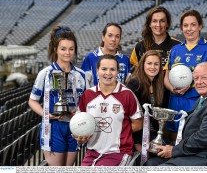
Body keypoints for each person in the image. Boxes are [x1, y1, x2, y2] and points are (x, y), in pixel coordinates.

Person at [144, 62, 207, 166]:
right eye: (196, 78)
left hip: (206, 157)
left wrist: (173, 150)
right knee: (150, 162)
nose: (199, 82)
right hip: (195, 151)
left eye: (204, 78)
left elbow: (202, 139)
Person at [28, 26, 88, 166]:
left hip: (75, 127)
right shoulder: (45, 73)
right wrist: (46, 113)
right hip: (53, 127)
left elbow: (85, 102)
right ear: (55, 49)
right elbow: (32, 101)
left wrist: (78, 112)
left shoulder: (81, 75)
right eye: (63, 49)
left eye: (71, 49)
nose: (67, 53)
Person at [73, 54, 143, 166]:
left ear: (117, 72)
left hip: (118, 152)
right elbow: (81, 122)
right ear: (97, 71)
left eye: (112, 69)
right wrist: (81, 136)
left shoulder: (127, 94)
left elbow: (138, 124)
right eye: (104, 69)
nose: (108, 73)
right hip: (92, 153)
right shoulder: (88, 94)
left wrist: (117, 131)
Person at [164, 9, 207, 141]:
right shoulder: (175, 49)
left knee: (193, 138)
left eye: (193, 25)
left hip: (197, 102)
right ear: (181, 28)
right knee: (173, 138)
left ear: (200, 26)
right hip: (176, 100)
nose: (189, 29)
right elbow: (166, 77)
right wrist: (172, 88)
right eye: (185, 25)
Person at [126, 50, 165, 154]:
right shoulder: (135, 84)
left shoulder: (158, 85)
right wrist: (136, 143)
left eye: (156, 64)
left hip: (153, 134)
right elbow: (128, 117)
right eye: (149, 63)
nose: (153, 67)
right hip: (138, 137)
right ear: (143, 64)